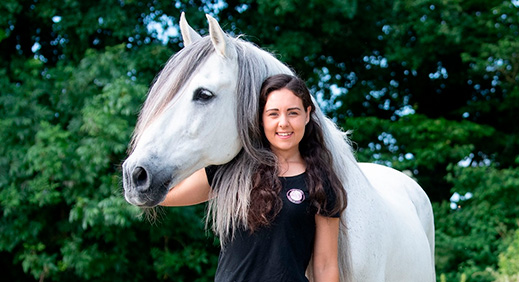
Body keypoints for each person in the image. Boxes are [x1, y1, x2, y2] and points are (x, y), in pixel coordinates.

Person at [160, 73, 347, 282]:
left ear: (307, 114)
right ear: (260, 118)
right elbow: (166, 194)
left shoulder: (321, 183)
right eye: (273, 114)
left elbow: (325, 265)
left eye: (293, 113)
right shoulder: (232, 170)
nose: (283, 123)